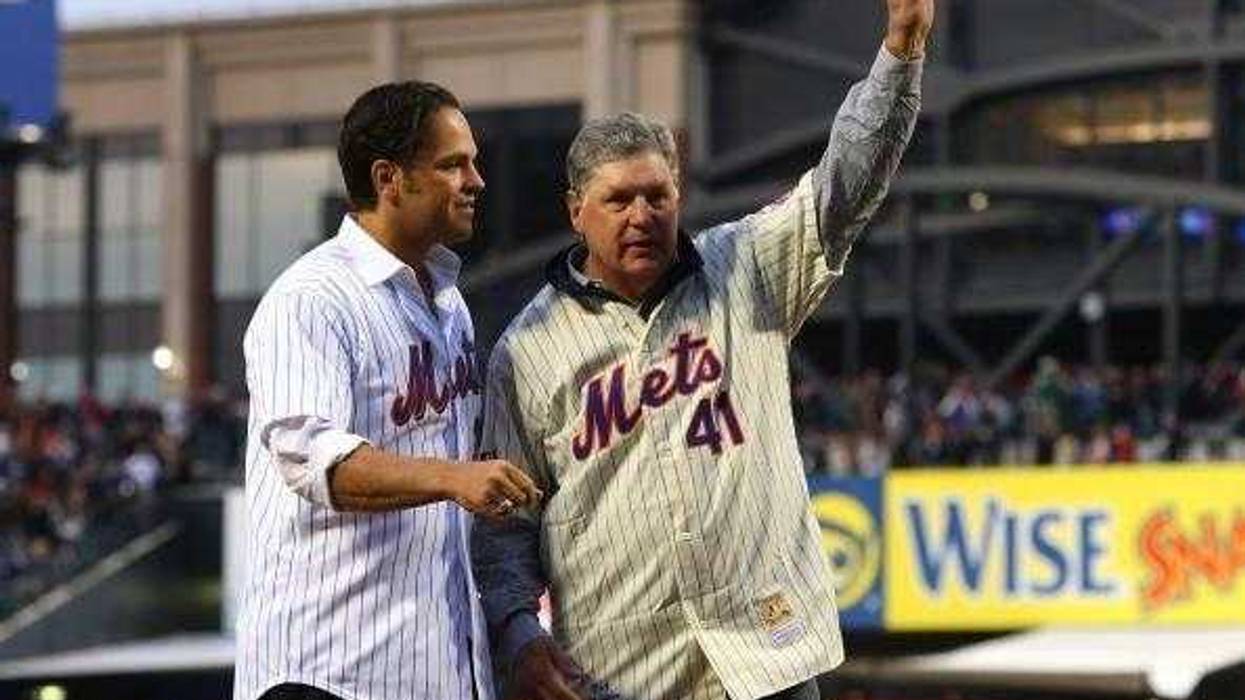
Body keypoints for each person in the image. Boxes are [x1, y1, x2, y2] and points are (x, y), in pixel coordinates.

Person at [471, 1, 932, 698]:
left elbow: (842, 188)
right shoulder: (526, 351)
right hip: (623, 675)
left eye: (656, 195)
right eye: (618, 199)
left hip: (764, 657)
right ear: (575, 212)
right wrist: (516, 631)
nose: (641, 216)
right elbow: (506, 525)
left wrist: (899, 52)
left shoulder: (743, 266)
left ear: (678, 193)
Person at [233, 81, 540, 700]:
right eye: (453, 164)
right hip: (327, 674)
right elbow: (313, 463)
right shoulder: (311, 299)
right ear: (389, 178)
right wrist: (452, 477)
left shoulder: (449, 304)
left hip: (431, 672)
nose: (476, 180)